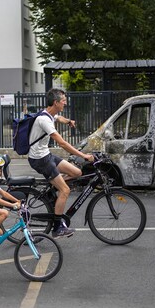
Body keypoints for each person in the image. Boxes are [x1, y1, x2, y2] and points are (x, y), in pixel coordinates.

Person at [28, 88, 94, 238]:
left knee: (77, 173)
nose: (65, 103)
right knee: (65, 190)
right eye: (63, 100)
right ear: (56, 102)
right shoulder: (44, 120)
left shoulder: (50, 114)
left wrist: (68, 121)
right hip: (40, 159)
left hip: (46, 155)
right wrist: (83, 155)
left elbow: (59, 118)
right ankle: (57, 228)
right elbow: (62, 143)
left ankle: (54, 185)